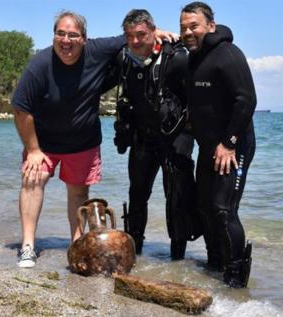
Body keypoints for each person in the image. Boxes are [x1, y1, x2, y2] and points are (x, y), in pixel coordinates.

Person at [11, 10, 178, 268]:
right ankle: (28, 246)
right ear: (54, 35)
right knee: (34, 180)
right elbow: (21, 109)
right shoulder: (39, 65)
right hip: (43, 142)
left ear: (85, 39)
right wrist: (32, 150)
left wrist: (158, 32)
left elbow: (132, 36)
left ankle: (77, 247)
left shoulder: (98, 50)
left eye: (73, 35)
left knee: (78, 195)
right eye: (60, 34)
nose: (66, 41)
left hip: (83, 141)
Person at [112, 9, 201, 260]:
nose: (136, 41)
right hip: (143, 137)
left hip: (176, 137)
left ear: (154, 31)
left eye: (141, 34)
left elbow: (201, 94)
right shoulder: (124, 60)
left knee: (177, 196)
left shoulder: (178, 59)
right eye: (130, 36)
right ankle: (134, 250)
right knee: (137, 193)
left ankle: (177, 259)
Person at [180, 2, 256, 288]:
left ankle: (236, 278)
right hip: (209, 147)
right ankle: (215, 265)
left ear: (210, 25)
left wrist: (229, 143)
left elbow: (246, 99)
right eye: (184, 27)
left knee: (223, 209)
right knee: (204, 207)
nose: (188, 32)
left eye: (194, 26)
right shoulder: (195, 57)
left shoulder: (228, 54)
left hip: (233, 147)